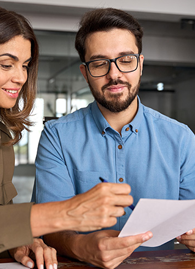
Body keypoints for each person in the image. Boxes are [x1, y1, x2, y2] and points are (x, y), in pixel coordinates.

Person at [0, 5, 144, 267]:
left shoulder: (1, 138)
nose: (20, 77)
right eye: (7, 64)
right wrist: (65, 213)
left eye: (25, 66)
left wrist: (18, 242)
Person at [32, 7, 195, 269]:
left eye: (126, 60)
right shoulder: (57, 137)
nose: (114, 74)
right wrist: (81, 247)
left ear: (140, 64)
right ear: (85, 73)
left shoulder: (182, 139)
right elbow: (48, 226)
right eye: (99, 63)